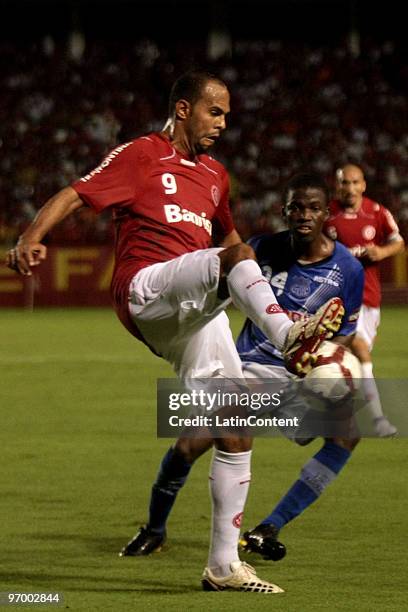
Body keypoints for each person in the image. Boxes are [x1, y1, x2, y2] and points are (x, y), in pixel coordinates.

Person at [5, 71, 344, 594]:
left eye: (228, 115)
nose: (223, 123)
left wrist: (251, 268)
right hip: (146, 289)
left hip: (193, 314)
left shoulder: (215, 175)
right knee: (236, 261)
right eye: (216, 112)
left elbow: (229, 237)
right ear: (184, 109)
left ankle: (223, 566)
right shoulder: (140, 154)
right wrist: (29, 236)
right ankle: (289, 335)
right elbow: (75, 194)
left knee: (235, 425)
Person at [121, 172, 363, 564]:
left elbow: (343, 337)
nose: (304, 215)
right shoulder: (259, 249)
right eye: (296, 207)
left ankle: (270, 527)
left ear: (327, 214)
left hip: (297, 379)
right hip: (247, 369)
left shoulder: (348, 270)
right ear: (285, 211)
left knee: (348, 433)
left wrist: (320, 364)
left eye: (313, 208)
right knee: (188, 445)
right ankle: (154, 529)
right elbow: (221, 292)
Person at [325, 163, 405, 437]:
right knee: (357, 350)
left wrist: (381, 253)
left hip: (369, 300)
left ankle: (334, 416)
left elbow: (398, 242)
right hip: (336, 302)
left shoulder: (377, 212)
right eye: (344, 183)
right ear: (337, 186)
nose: (349, 188)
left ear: (363, 185)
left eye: (354, 182)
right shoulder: (327, 216)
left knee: (348, 361)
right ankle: (379, 419)